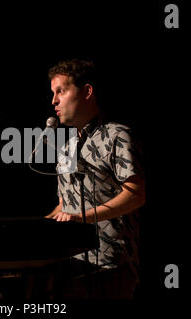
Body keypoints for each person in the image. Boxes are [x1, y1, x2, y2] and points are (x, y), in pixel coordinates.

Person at [45, 59, 146, 299]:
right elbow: (64, 206)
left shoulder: (117, 135)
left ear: (87, 92)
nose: (54, 101)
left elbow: (136, 194)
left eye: (61, 91)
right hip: (70, 265)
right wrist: (37, 227)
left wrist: (82, 218)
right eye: (52, 93)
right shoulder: (66, 148)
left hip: (110, 265)